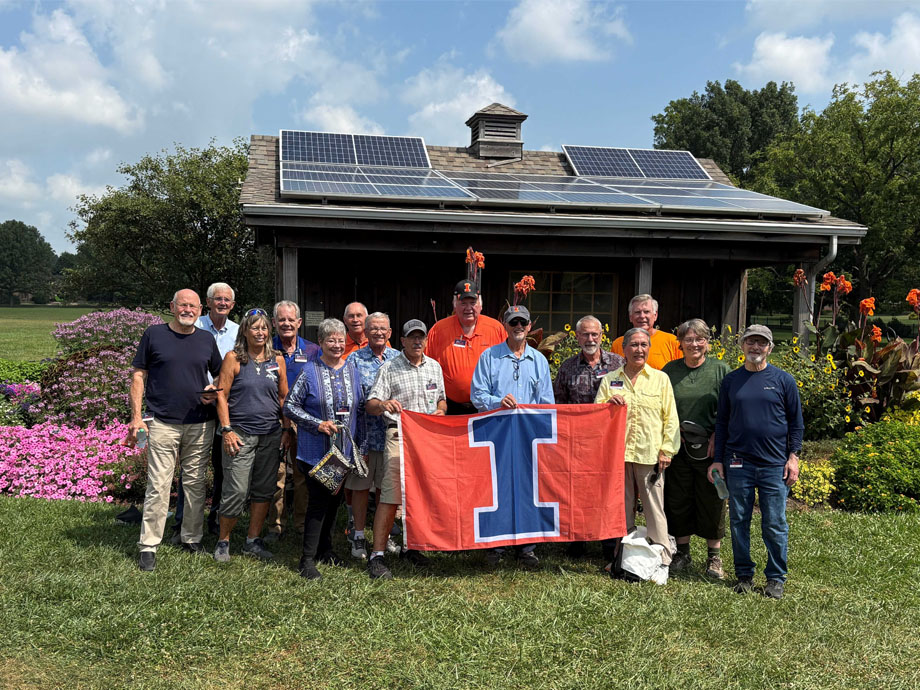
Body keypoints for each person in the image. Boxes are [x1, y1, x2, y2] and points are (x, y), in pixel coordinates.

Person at [127, 289, 222, 571]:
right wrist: (136, 417)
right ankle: (149, 545)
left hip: (200, 422)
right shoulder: (154, 335)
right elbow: (138, 375)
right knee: (159, 484)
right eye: (183, 305)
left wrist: (213, 389)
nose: (188, 310)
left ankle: (190, 537)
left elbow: (219, 372)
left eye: (193, 306)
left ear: (200, 309)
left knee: (194, 483)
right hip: (163, 421)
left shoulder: (206, 339)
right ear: (172, 306)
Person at [709, 324, 802, 600]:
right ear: (742, 346)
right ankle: (744, 574)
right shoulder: (731, 381)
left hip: (774, 464)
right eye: (750, 342)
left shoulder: (784, 381)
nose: (755, 348)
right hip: (739, 464)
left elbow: (796, 424)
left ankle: (775, 578)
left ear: (770, 348)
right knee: (739, 519)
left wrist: (793, 457)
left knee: (774, 522)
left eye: (761, 343)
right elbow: (722, 423)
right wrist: (718, 461)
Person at [471, 305, 554, 568]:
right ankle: (497, 545)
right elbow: (477, 395)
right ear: (505, 326)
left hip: (529, 436)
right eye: (513, 322)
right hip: (497, 434)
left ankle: (527, 548)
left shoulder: (539, 361)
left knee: (528, 487)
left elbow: (546, 402)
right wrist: (498, 402)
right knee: (497, 487)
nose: (518, 326)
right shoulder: (489, 357)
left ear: (530, 327)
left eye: (523, 322)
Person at [364, 319, 447, 579]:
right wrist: (384, 404)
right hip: (398, 436)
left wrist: (441, 411)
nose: (417, 341)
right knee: (390, 496)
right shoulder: (389, 368)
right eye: (412, 337)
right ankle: (377, 555)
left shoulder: (434, 367)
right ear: (401, 340)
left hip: (428, 439)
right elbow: (371, 403)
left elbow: (442, 400)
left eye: (421, 337)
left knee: (420, 496)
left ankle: (411, 547)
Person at [283, 318, 365, 580]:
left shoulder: (353, 371)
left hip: (344, 452)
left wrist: (359, 445)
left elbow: (360, 410)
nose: (337, 344)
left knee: (334, 502)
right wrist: (317, 424)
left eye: (341, 340)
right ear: (320, 343)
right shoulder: (309, 371)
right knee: (318, 502)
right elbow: (290, 407)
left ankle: (325, 549)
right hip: (316, 452)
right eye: (331, 340)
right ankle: (307, 559)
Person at [595, 327, 680, 570]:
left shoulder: (660, 380)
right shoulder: (610, 379)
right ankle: (622, 557)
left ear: (649, 348)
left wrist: (667, 450)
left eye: (644, 345)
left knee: (654, 509)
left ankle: (662, 556)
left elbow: (670, 418)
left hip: (649, 454)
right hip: (618, 455)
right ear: (624, 349)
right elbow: (596, 414)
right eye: (634, 345)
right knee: (621, 509)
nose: (639, 350)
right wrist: (608, 404)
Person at [212, 310, 292, 562]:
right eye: (254, 328)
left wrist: (286, 429)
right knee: (236, 490)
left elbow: (283, 397)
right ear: (244, 331)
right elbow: (220, 395)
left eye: (264, 328)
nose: (260, 332)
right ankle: (223, 541)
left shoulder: (277, 359)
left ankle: (252, 539)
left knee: (263, 489)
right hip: (239, 434)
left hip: (270, 433)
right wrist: (226, 430)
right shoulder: (233, 358)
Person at [662, 319, 731, 578]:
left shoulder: (720, 370)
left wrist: (717, 435)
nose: (694, 344)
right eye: (688, 339)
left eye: (699, 339)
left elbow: (729, 410)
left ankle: (714, 557)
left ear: (707, 343)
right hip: (677, 446)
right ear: (680, 343)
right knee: (678, 498)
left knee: (712, 499)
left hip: (710, 447)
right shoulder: (670, 371)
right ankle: (682, 552)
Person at [171, 282, 239, 540]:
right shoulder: (194, 325)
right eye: (217, 299)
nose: (222, 303)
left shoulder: (237, 331)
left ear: (232, 305)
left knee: (223, 468)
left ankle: (215, 519)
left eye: (227, 300)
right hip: (196, 407)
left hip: (226, 408)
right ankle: (182, 523)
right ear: (208, 303)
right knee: (190, 469)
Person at [553, 314, 625, 558]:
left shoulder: (618, 364)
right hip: (577, 442)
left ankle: (607, 541)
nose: (590, 338)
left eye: (594, 334)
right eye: (585, 334)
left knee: (606, 489)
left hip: (608, 441)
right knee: (577, 491)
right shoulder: (567, 367)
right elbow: (559, 402)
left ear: (602, 336)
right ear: (577, 337)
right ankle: (577, 538)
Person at [345, 312, 399, 560]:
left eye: (383, 329)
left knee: (385, 489)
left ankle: (383, 535)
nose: (378, 332)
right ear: (365, 333)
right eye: (373, 329)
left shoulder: (398, 358)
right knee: (360, 487)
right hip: (364, 436)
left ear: (390, 333)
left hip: (392, 437)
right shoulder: (354, 360)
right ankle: (357, 535)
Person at [264, 300, 319, 543]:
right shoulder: (265, 349)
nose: (286, 324)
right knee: (276, 475)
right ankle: (275, 526)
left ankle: (300, 523)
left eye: (291, 320)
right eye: (281, 320)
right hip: (273, 420)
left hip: (304, 422)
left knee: (301, 475)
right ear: (274, 323)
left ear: (299, 322)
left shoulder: (313, 351)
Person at [425, 280, 505, 414]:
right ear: (455, 305)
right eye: (463, 303)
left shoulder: (496, 329)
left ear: (480, 305)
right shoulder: (439, 330)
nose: (468, 308)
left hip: (487, 406)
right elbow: (426, 368)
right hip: (449, 407)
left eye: (472, 303)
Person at [610, 294, 681, 370]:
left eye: (646, 312)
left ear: (655, 315)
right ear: (630, 317)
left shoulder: (672, 342)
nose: (642, 316)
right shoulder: (618, 344)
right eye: (637, 312)